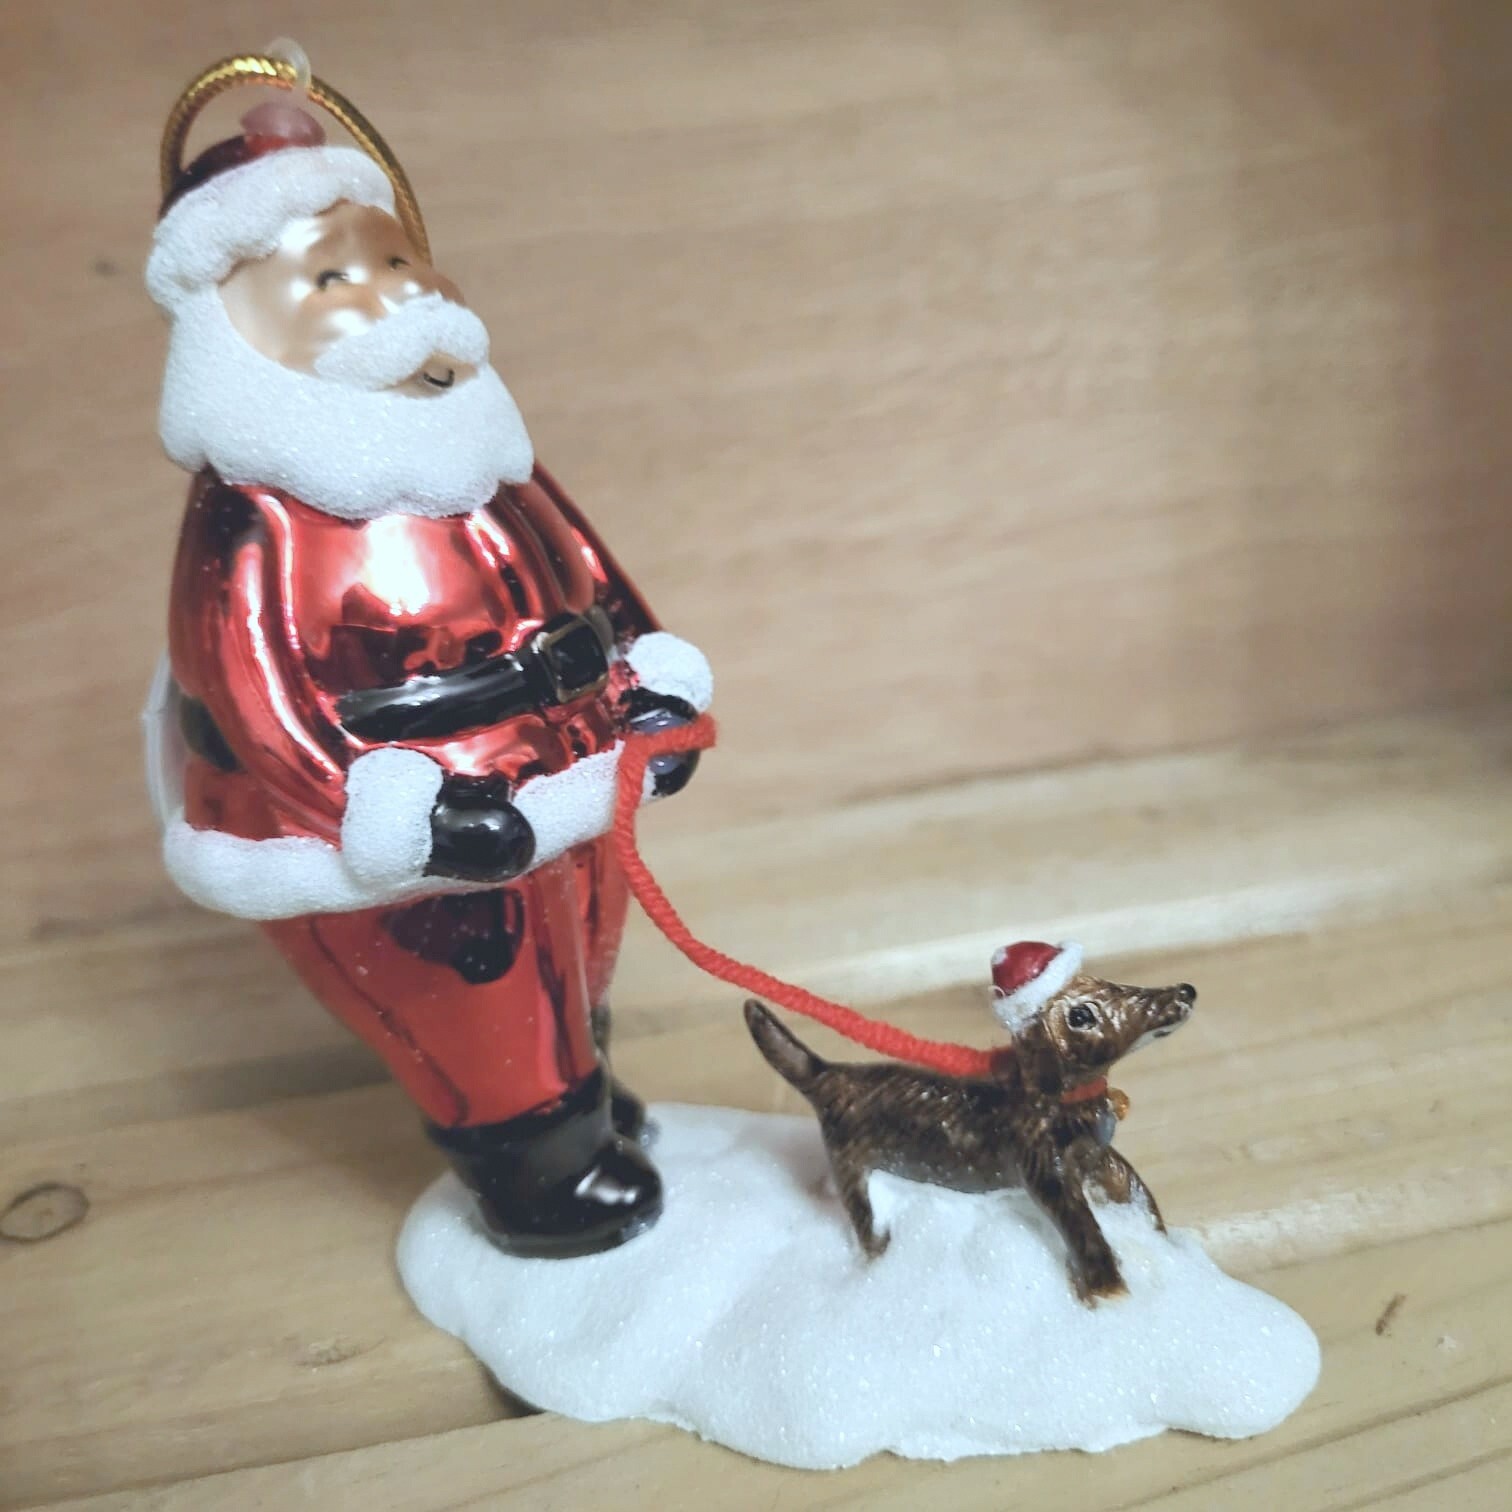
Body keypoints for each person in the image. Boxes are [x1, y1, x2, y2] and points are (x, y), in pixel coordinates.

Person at [144, 100, 712, 1257]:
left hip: (560, 764)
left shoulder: (476, 443)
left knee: (581, 943)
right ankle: (539, 1167)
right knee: (472, 993)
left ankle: (585, 1094)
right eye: (331, 279)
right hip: (406, 811)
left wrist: (645, 670)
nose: (389, 296)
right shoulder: (256, 515)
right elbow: (255, 697)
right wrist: (394, 811)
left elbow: (588, 568)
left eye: (396, 262)